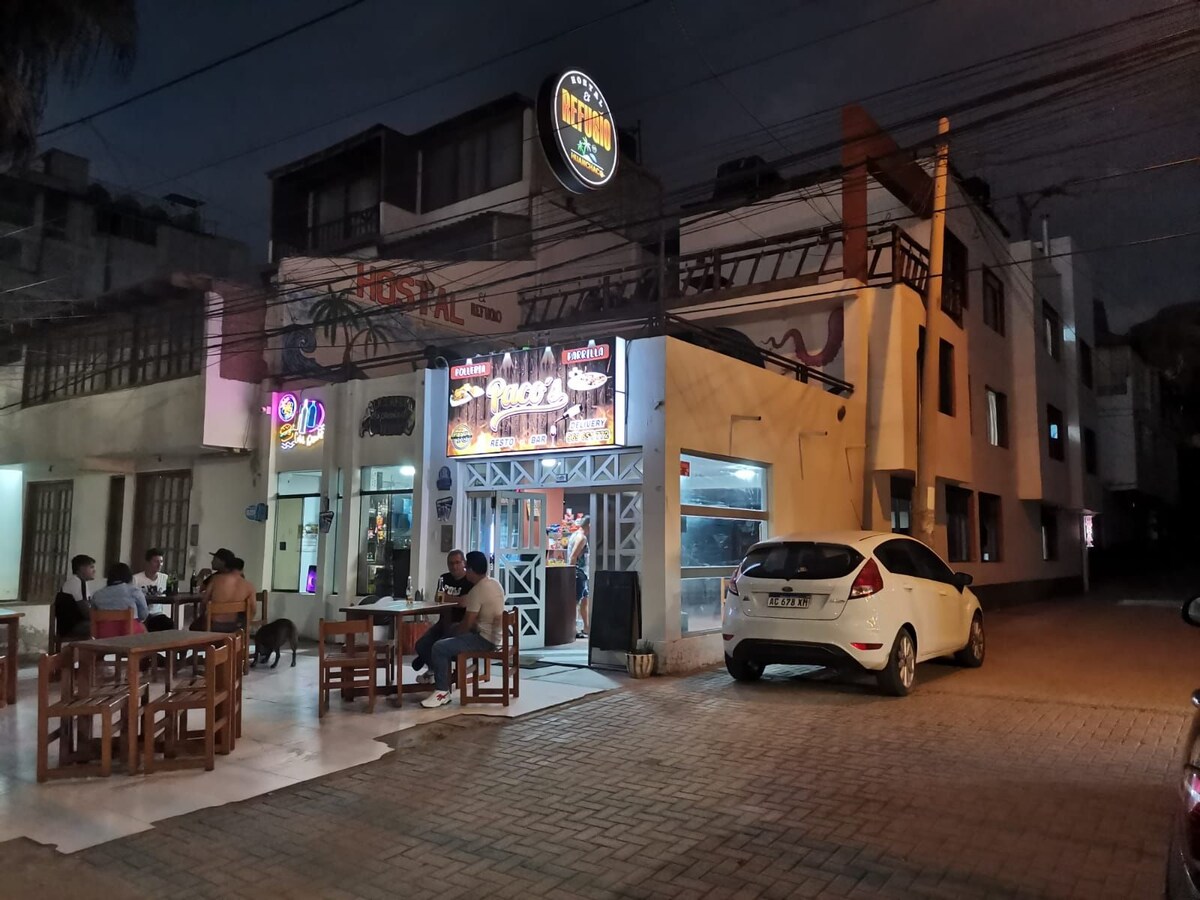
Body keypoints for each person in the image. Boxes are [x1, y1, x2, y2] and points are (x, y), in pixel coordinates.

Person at [421, 550, 506, 709]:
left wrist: (451, 638)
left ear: (472, 570)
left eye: (466, 567)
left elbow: (466, 625)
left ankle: (442, 691)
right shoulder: (495, 584)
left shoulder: (476, 591)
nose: (465, 571)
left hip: (484, 640)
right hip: (495, 636)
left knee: (439, 647)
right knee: (447, 634)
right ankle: (442, 673)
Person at [413, 549, 473, 684]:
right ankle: (435, 670)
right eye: (451, 563)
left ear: (464, 563)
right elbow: (438, 598)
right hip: (443, 622)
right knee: (421, 645)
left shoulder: (469, 580)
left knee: (438, 646)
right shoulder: (444, 578)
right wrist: (455, 600)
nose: (454, 566)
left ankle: (438, 675)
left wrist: (447, 598)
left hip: (461, 624)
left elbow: (464, 602)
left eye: (457, 562)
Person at [193, 556, 256, 633]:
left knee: (193, 627)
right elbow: (253, 609)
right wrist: (245, 625)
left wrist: (202, 616)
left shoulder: (215, 579)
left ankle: (207, 639)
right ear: (242, 570)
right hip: (235, 626)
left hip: (213, 625)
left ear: (227, 568)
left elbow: (204, 602)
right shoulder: (249, 586)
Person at [90, 562, 149, 636]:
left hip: (104, 632)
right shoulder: (134, 591)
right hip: (127, 631)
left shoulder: (97, 594)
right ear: (128, 576)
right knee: (143, 629)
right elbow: (144, 614)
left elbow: (93, 613)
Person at [133, 548, 175, 632]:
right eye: (156, 561)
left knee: (169, 623)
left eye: (161, 561)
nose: (159, 565)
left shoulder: (165, 578)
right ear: (147, 562)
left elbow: (173, 594)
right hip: (140, 615)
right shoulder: (136, 579)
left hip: (157, 614)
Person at [57, 554, 96, 639]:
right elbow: (86, 612)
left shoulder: (80, 582)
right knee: (102, 627)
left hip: (73, 624)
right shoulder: (76, 582)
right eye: (91, 567)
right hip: (71, 627)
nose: (94, 571)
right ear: (81, 568)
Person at [568, 516, 591, 638]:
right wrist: (571, 573)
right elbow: (573, 556)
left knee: (584, 599)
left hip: (582, 573)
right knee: (575, 601)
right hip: (579, 573)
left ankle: (586, 627)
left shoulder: (575, 535)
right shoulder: (581, 538)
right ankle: (572, 629)